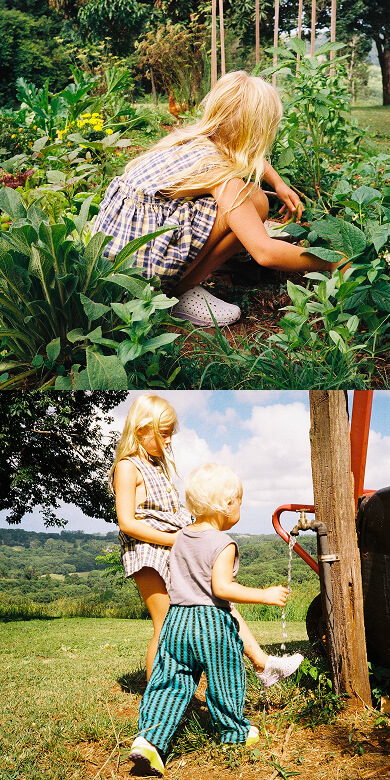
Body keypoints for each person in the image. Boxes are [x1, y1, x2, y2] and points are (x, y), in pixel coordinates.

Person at [93, 71, 341, 327]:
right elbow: (265, 252)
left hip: (109, 268)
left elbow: (242, 151)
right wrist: (331, 260)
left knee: (251, 200)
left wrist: (277, 182)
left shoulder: (189, 139)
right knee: (251, 204)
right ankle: (173, 295)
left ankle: (185, 275)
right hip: (136, 287)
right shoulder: (220, 176)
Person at [112, 393, 303, 683]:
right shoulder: (128, 467)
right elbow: (126, 523)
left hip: (173, 546)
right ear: (141, 430)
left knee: (217, 600)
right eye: (164, 434)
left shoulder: (156, 466)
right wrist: (176, 540)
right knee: (165, 626)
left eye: (170, 434)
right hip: (148, 551)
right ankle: (156, 701)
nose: (169, 441)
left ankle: (262, 663)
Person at [129, 463, 303, 777]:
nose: (240, 507)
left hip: (177, 620)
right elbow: (222, 588)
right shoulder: (224, 543)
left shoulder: (180, 537)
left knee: (170, 682)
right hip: (210, 622)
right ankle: (234, 733)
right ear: (225, 505)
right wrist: (264, 594)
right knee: (226, 679)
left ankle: (150, 740)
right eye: (239, 500)